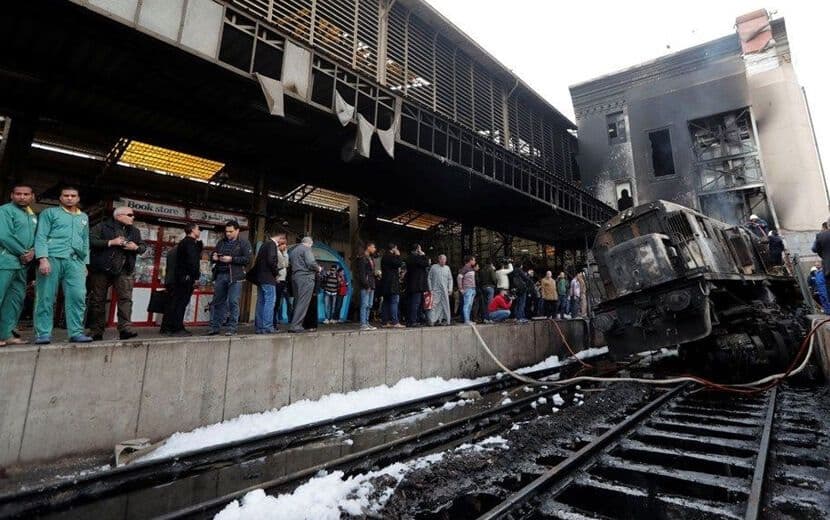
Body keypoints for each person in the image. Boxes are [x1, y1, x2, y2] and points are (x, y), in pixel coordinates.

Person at [33, 186, 92, 344]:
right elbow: (41, 236)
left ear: (78, 198)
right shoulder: (49, 213)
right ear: (60, 198)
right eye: (66, 195)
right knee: (46, 296)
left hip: (75, 261)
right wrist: (42, 258)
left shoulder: (84, 217)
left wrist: (85, 263)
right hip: (52, 257)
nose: (70, 198)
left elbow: (85, 240)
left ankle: (76, 332)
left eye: (73, 195)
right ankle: (43, 333)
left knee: (78, 296)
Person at [87, 206, 146, 341]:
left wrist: (136, 247)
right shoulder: (102, 226)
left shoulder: (135, 231)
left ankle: (125, 329)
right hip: (102, 268)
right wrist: (111, 242)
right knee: (98, 300)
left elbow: (143, 246)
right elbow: (90, 241)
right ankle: (96, 331)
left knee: (125, 299)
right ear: (119, 216)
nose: (133, 217)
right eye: (130, 215)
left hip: (124, 269)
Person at [0, 184, 37, 347]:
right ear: (11, 195)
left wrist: (34, 251)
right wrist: (23, 252)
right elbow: (4, 235)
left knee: (14, 300)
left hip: (22, 265)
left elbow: (37, 236)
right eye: (18, 194)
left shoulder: (32, 215)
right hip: (6, 260)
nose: (22, 197)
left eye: (26, 194)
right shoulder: (5, 210)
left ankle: (6, 334)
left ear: (32, 196)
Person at [207, 220, 252, 336]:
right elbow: (212, 255)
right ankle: (215, 328)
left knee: (233, 302)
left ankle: (232, 328)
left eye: (231, 231)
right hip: (220, 275)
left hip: (235, 276)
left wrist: (231, 259)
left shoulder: (244, 243)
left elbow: (247, 260)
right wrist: (214, 257)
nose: (228, 234)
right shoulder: (221, 242)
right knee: (217, 302)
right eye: (226, 231)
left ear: (237, 231)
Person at [161, 222, 203, 336]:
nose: (199, 231)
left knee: (175, 303)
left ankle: (168, 327)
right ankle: (177, 327)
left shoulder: (183, 244)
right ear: (193, 230)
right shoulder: (190, 244)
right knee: (181, 303)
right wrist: (195, 276)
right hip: (185, 279)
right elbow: (192, 262)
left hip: (179, 278)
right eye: (198, 229)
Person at [250, 229, 280, 334]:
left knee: (261, 302)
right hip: (268, 278)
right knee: (270, 302)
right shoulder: (272, 245)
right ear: (280, 236)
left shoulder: (263, 245)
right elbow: (271, 261)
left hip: (260, 278)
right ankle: (268, 326)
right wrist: (276, 273)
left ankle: (259, 327)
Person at [288, 236, 321, 333]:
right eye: (311, 245)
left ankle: (293, 324)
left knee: (297, 302)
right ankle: (296, 326)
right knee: (303, 302)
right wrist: (318, 268)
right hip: (305, 278)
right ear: (309, 243)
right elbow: (310, 263)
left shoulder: (294, 251)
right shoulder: (306, 249)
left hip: (295, 277)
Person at [379, 243, 404, 328]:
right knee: (394, 301)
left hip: (385, 283)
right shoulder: (391, 257)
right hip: (392, 283)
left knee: (386, 302)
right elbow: (399, 263)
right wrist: (398, 255)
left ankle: (384, 322)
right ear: (393, 248)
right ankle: (395, 321)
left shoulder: (384, 257)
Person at [405, 244, 429, 327]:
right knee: (416, 303)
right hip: (417, 284)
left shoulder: (409, 258)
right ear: (417, 249)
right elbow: (426, 263)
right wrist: (423, 255)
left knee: (412, 302)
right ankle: (413, 321)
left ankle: (411, 320)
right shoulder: (416, 258)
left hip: (411, 283)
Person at [356, 242, 378, 331]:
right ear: (368, 247)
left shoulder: (370, 258)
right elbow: (362, 274)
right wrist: (366, 285)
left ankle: (367, 322)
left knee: (369, 304)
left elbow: (370, 272)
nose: (374, 249)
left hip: (371, 284)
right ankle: (363, 324)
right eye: (373, 247)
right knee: (364, 304)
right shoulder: (362, 258)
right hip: (366, 285)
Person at [427, 254, 453, 326]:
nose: (444, 261)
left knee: (445, 305)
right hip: (435, 290)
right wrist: (430, 289)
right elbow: (429, 278)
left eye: (445, 259)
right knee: (434, 305)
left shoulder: (447, 268)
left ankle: (444, 320)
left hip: (444, 290)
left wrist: (450, 289)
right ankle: (432, 320)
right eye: (442, 259)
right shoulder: (433, 267)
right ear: (439, 259)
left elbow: (450, 279)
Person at [273, 234, 290, 326]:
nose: (285, 246)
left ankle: (275, 322)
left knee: (278, 302)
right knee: (276, 303)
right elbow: (284, 265)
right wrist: (285, 254)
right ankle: (274, 322)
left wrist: (286, 253)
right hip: (278, 280)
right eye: (283, 244)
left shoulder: (282, 253)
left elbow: (286, 264)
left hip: (282, 280)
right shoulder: (278, 253)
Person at [456, 256, 477, 324]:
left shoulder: (470, 269)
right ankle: (467, 320)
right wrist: (461, 289)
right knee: (467, 305)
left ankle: (468, 320)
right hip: (468, 289)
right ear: (470, 261)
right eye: (474, 260)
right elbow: (459, 278)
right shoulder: (464, 269)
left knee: (469, 305)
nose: (474, 261)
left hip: (472, 289)